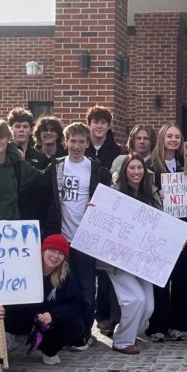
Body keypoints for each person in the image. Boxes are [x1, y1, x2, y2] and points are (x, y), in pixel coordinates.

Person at [41, 121, 112, 341]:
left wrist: (99, 205)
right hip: (61, 238)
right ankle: (61, 331)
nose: (77, 146)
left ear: (88, 143)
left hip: (85, 239)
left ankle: (84, 333)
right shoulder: (56, 167)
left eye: (82, 141)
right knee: (59, 287)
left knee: (87, 289)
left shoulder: (97, 170)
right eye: (73, 141)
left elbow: (110, 201)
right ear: (65, 142)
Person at [0, 234, 85, 372]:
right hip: (19, 316)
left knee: (76, 325)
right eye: (52, 250)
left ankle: (47, 349)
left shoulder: (66, 276)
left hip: (44, 323)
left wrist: (53, 315)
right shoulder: (21, 267)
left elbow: (74, 305)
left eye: (60, 253)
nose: (55, 256)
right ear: (43, 250)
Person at [104, 154, 160, 353]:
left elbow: (161, 226)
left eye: (139, 168)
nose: (136, 172)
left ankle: (129, 333)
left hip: (143, 259)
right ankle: (122, 341)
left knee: (148, 306)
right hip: (118, 258)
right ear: (124, 171)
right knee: (135, 299)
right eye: (132, 168)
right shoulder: (113, 194)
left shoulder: (152, 195)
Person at [149, 123, 187, 341]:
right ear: (162, 138)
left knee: (183, 277)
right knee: (159, 278)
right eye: (170, 136)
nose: (174, 140)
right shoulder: (150, 165)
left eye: (177, 136)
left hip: (184, 227)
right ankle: (157, 326)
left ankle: (178, 325)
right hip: (160, 229)